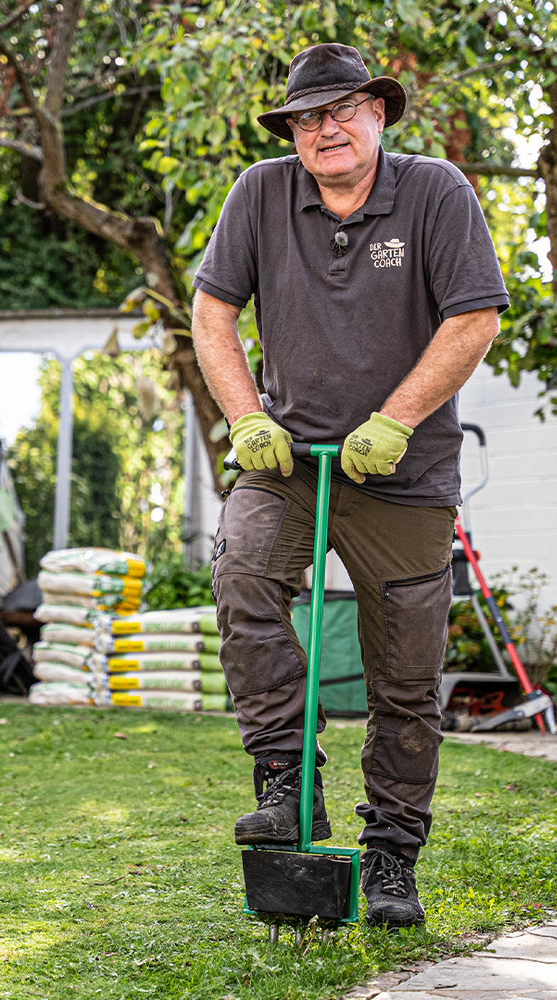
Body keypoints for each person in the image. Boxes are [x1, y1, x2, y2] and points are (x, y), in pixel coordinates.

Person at [191, 42, 509, 928]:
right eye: (305, 117)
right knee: (243, 576)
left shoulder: (438, 191)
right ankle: (286, 777)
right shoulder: (259, 193)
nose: (324, 128)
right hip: (286, 463)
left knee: (405, 680)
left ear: (378, 113)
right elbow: (213, 312)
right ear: (292, 132)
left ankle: (394, 856)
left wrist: (398, 419)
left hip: (402, 475)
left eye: (341, 110)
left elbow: (474, 316)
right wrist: (249, 416)